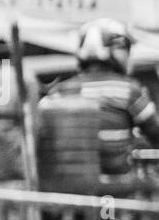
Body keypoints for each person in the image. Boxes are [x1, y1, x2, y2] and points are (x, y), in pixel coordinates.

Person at [41, 18, 159, 179]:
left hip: (66, 183)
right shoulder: (129, 90)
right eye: (124, 49)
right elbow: (155, 132)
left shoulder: (59, 90)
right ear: (113, 50)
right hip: (116, 186)